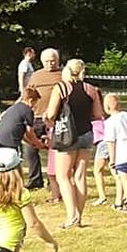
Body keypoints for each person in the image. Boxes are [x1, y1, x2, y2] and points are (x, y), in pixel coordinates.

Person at [44, 58, 103, 229]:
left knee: (63, 176)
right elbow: (98, 114)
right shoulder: (91, 89)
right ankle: (79, 216)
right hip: (86, 134)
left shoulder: (61, 88)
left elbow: (51, 113)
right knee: (80, 176)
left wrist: (47, 118)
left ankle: (71, 216)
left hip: (67, 136)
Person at [23, 49, 62, 197]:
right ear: (41, 61)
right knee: (30, 149)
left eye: (53, 61)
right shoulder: (36, 75)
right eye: (47, 61)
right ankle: (35, 179)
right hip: (36, 116)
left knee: (55, 151)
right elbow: (29, 93)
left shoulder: (62, 75)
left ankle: (54, 181)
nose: (50, 64)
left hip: (55, 118)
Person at [102, 93, 127, 212]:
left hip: (121, 153)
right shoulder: (126, 115)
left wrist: (112, 160)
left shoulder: (110, 122)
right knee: (120, 178)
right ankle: (118, 202)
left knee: (124, 179)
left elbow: (110, 142)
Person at [0, 88, 43, 153]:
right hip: (10, 140)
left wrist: (31, 143)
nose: (34, 105)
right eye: (35, 103)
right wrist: (38, 143)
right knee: (14, 157)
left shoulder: (15, 107)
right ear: (30, 100)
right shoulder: (28, 111)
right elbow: (29, 132)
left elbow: (21, 133)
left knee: (3, 156)